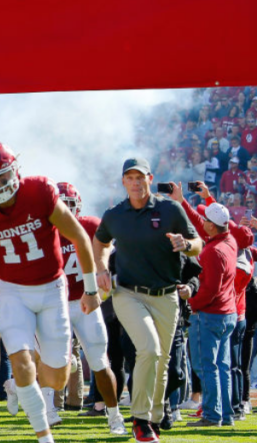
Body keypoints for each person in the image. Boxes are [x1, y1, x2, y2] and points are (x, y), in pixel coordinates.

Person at [0, 141, 98, 443]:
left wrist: (90, 289)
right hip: (12, 291)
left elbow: (79, 238)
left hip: (52, 288)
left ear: (14, 171)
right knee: (22, 363)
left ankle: (17, 387)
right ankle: (44, 437)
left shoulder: (39, 191)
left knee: (59, 376)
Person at [92, 157, 202, 442]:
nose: (136, 182)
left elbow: (197, 243)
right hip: (128, 293)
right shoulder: (115, 214)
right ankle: (140, 419)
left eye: (140, 177)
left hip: (166, 295)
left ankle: (153, 418)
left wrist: (186, 245)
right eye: (130, 178)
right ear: (123, 182)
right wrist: (102, 268)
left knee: (162, 360)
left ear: (150, 179)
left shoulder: (171, 209)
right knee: (149, 350)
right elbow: (100, 242)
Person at [54, 182, 126, 435]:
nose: (66, 211)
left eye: (69, 205)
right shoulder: (45, 231)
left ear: (78, 206)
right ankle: (48, 410)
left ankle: (114, 415)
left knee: (99, 361)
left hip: (86, 302)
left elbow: (109, 255)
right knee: (47, 358)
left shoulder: (91, 226)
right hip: (57, 304)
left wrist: (99, 288)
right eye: (61, 206)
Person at [185, 203, 238, 427]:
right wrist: (182, 202)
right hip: (228, 313)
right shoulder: (229, 240)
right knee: (222, 367)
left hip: (210, 314)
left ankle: (212, 415)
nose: (202, 222)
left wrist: (191, 303)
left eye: (206, 220)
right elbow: (202, 224)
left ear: (212, 226)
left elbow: (210, 290)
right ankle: (225, 415)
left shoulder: (213, 251)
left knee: (206, 367)